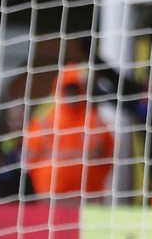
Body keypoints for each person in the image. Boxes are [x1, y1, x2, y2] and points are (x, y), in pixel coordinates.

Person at [24, 64, 114, 201]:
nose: (71, 94)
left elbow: (109, 156)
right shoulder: (44, 121)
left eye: (75, 89)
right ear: (59, 89)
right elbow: (30, 158)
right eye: (68, 89)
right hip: (51, 196)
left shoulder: (95, 121)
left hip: (88, 196)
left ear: (82, 90)